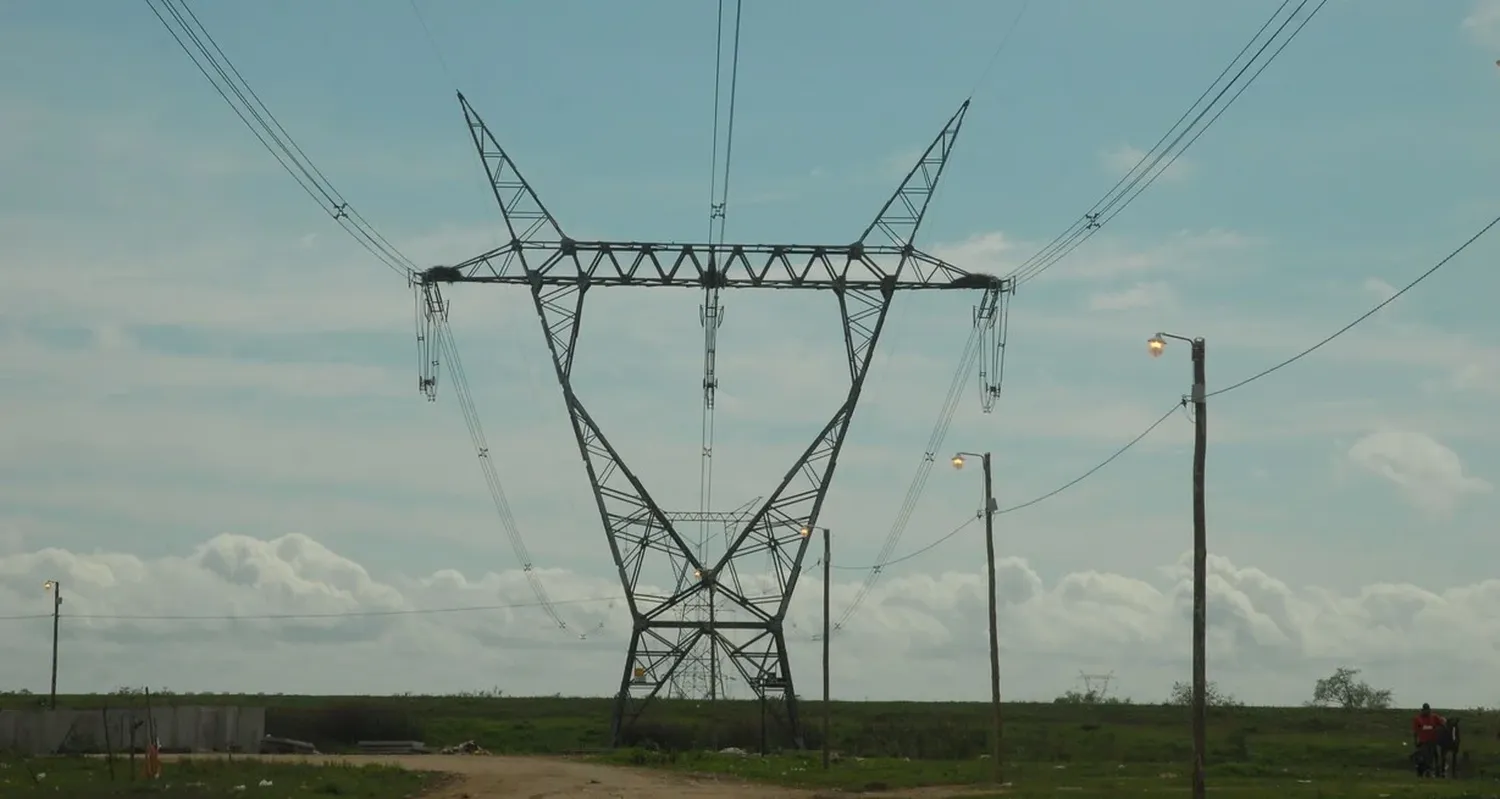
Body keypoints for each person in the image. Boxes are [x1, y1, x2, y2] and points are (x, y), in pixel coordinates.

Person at [1412, 703, 1446, 776]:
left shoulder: (1434, 717)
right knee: (1424, 756)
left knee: (1435, 755)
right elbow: (1415, 731)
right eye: (1425, 710)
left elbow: (1442, 724)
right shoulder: (1417, 719)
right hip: (1423, 741)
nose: (1427, 712)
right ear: (1422, 710)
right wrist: (1415, 741)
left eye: (1428, 710)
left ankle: (1437, 770)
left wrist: (1442, 723)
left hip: (1433, 740)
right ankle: (1424, 770)